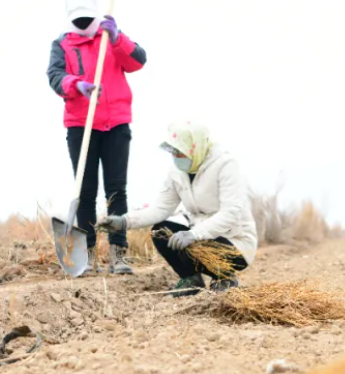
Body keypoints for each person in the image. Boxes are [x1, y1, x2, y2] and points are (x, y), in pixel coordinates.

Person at [97, 121, 258, 296]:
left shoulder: (225, 165)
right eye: (173, 151)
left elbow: (231, 213)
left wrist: (194, 234)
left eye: (180, 151)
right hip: (201, 234)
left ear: (195, 148)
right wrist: (124, 221)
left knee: (192, 247)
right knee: (161, 231)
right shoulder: (177, 171)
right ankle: (191, 280)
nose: (176, 156)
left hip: (235, 241)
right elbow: (160, 209)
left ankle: (225, 277)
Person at [47, 0, 147, 275]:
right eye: (77, 19)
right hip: (81, 124)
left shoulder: (110, 36)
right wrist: (77, 85)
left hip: (116, 123)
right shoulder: (62, 44)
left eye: (87, 18)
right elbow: (54, 76)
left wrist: (117, 39)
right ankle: (88, 256)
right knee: (86, 191)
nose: (82, 23)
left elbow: (138, 61)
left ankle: (118, 255)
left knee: (117, 191)